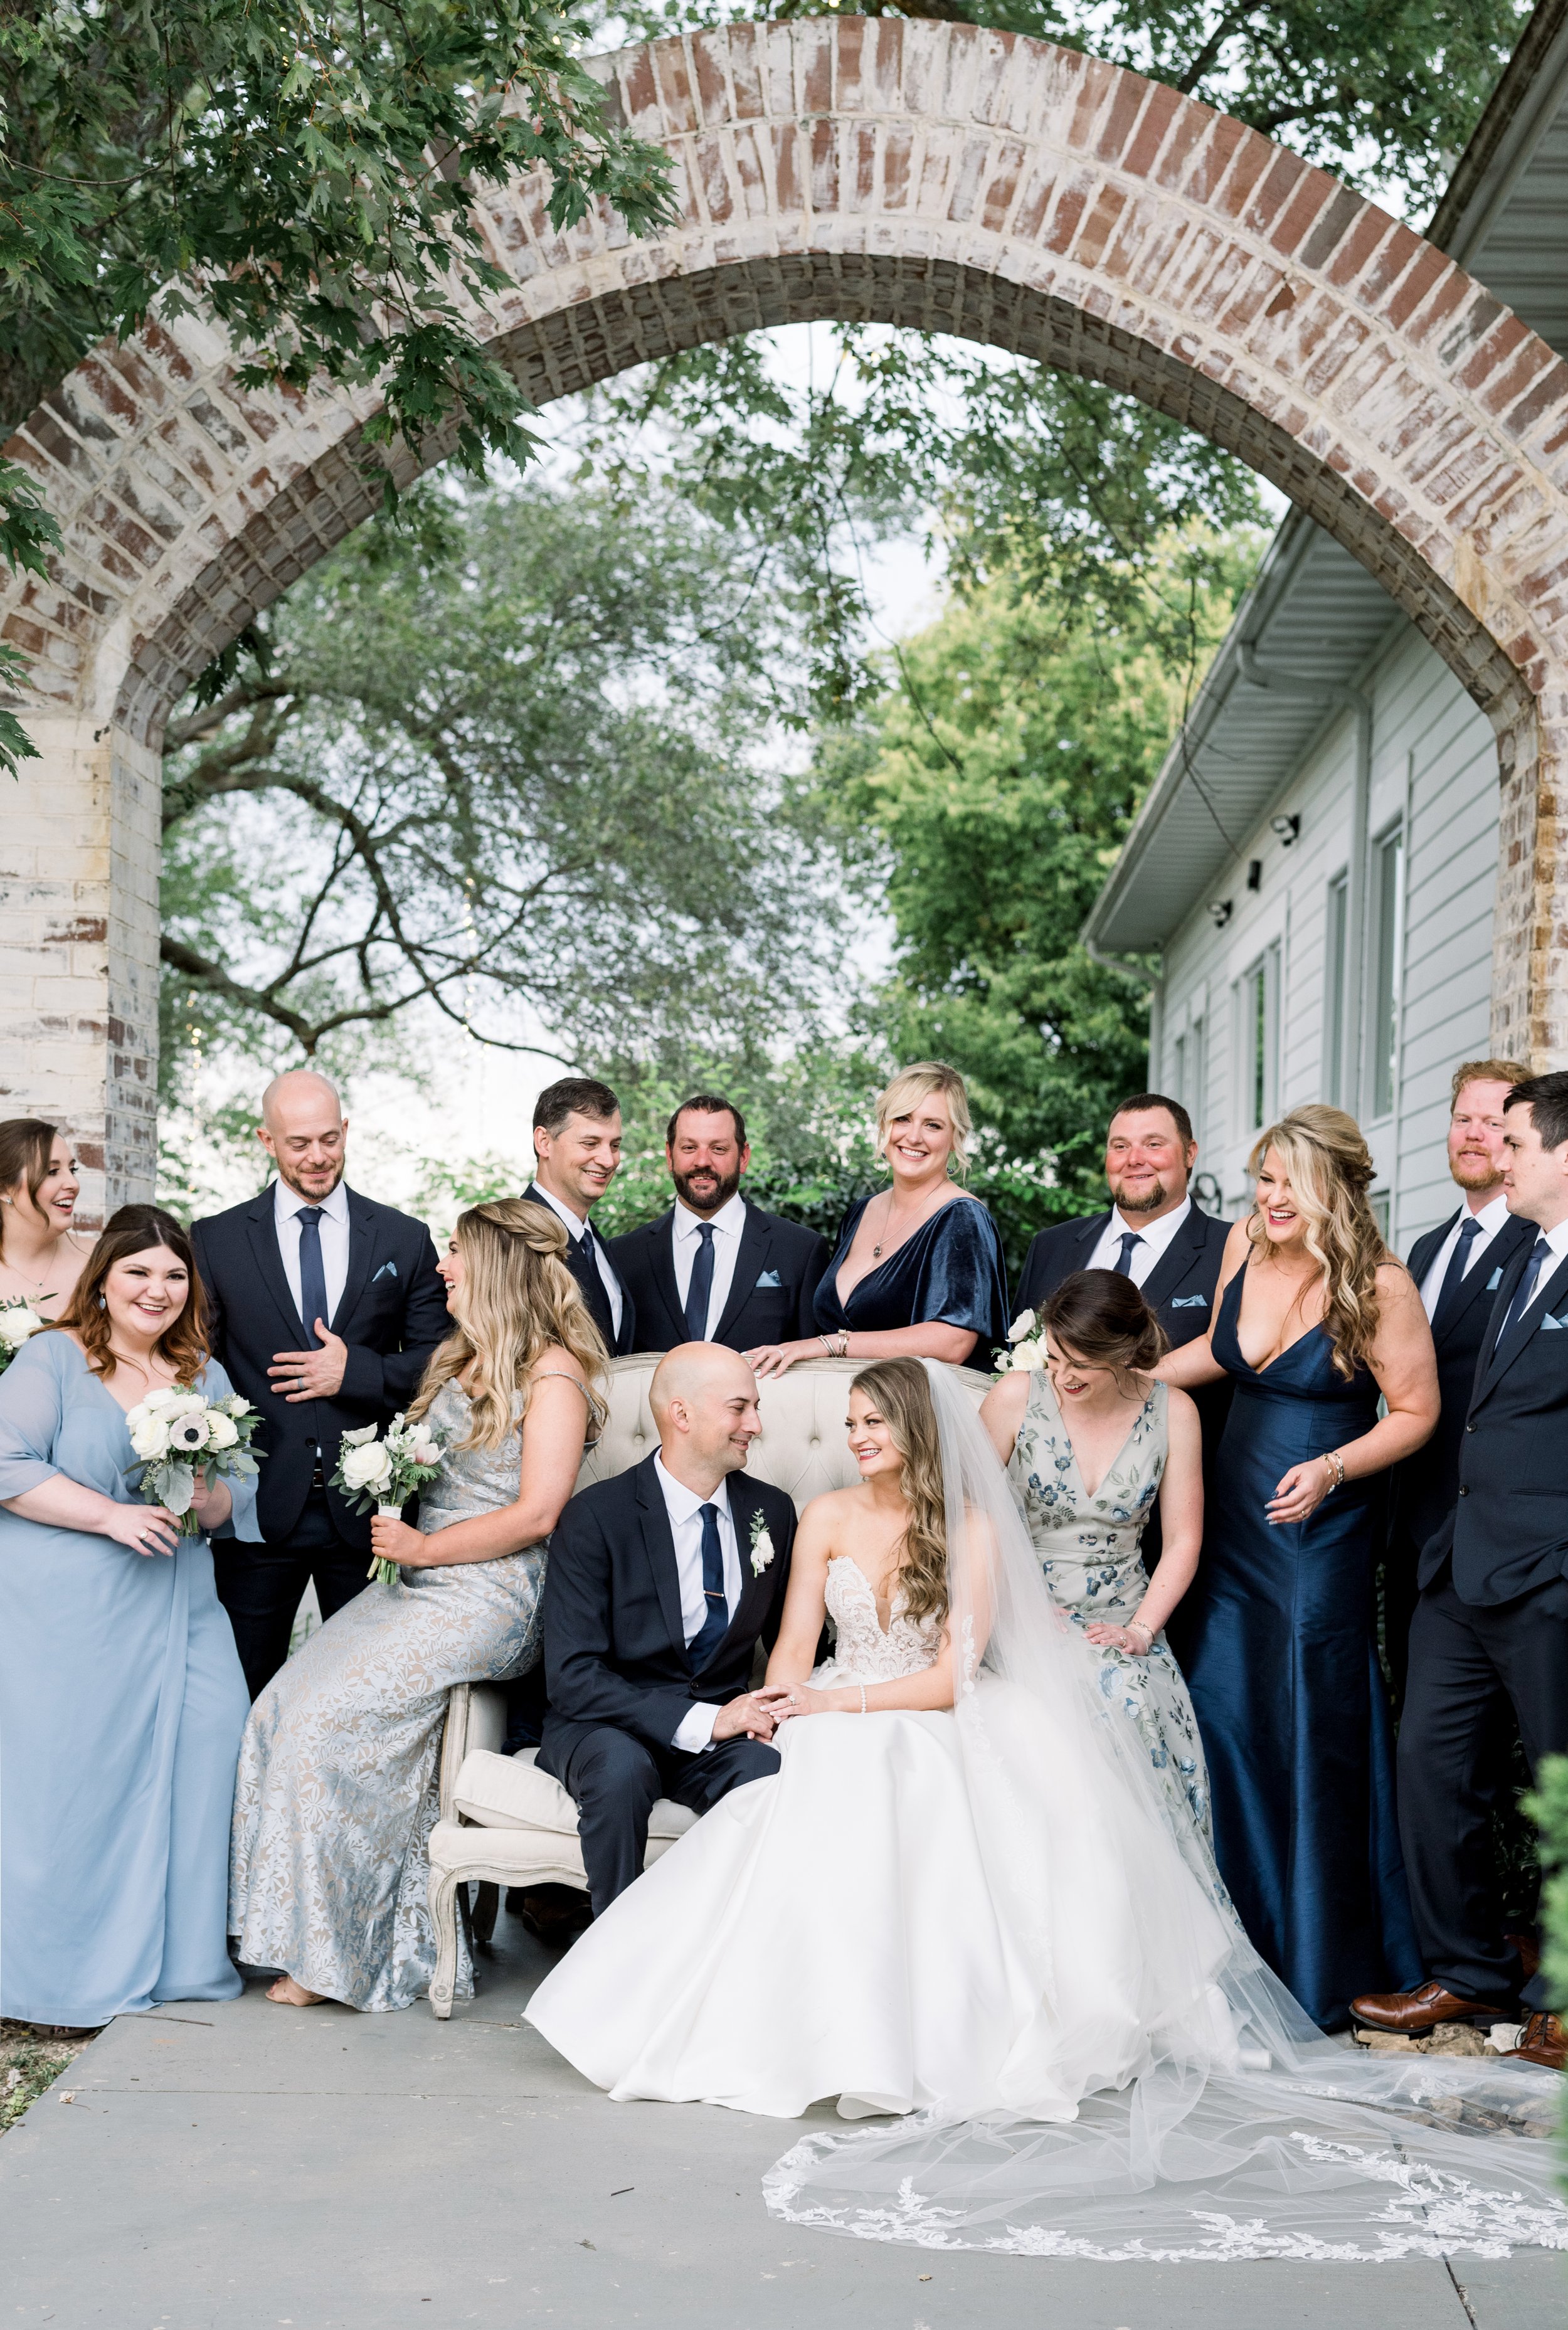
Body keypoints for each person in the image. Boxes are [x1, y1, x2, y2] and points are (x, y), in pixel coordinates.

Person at [524, 1357, 1562, 2262]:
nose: (857, 1440)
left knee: (913, 1789)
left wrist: (841, 1701)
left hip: (925, 1712)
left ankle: (920, 2029)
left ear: (919, 1433)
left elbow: (948, 1679)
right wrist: (789, 1706)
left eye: (873, 1424)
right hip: (836, 1710)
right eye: (849, 1428)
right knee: (800, 1792)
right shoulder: (824, 1517)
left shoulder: (971, 1527)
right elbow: (795, 1646)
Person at [229, 1201, 605, 2012]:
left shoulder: (555, 1374)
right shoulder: (457, 1355)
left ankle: (341, 1956)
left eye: (457, 1252)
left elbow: (540, 1512)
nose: (442, 1266)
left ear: (497, 1264)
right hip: (419, 1573)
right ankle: (284, 1929)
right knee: (280, 1705)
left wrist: (427, 1548)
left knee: (331, 1721)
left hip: (495, 1588)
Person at [1157, 1106, 1437, 2029]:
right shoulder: (1245, 1243)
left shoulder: (1381, 1283)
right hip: (1230, 1526)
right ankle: (1224, 1942)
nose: (1269, 1196)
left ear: (1336, 1184)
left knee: (1308, 1719)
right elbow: (1221, 1349)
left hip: (1320, 1533)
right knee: (1221, 1714)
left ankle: (1316, 1952)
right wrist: (1128, 1376)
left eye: (1287, 1180)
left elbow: (1414, 1409)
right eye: (1263, 1178)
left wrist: (1332, 1466)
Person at [1354, 1070, 1568, 2068]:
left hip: (1550, 1570)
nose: (1499, 1152)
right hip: (1458, 1566)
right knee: (1431, 1770)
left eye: (1517, 1138)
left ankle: (1561, 1997)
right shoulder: (1513, 1255)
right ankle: (1469, 1971)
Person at [0, 1206, 251, 2031]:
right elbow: (5, 1459)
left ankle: (181, 1958)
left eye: (174, 1274)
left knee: (213, 1737)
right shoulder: (55, 1355)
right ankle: (63, 1971)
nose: (158, 1288)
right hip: (75, 1606)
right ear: (104, 1275)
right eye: (140, 1271)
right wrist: (110, 1515)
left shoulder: (201, 1371)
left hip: (181, 1599)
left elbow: (233, 1491)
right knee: (82, 1778)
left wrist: (204, 1489)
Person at [191, 1068, 450, 1700]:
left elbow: (441, 1361)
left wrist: (354, 1370)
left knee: (364, 1698)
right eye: (299, 1142)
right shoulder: (214, 1241)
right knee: (241, 1694)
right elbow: (194, 1367)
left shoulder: (402, 1238)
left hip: (368, 1513)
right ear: (266, 1140)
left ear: (346, 1131)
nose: (317, 1156)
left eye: (329, 1139)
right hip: (254, 1509)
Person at [981, 1271, 1224, 1906]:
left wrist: (1141, 1629)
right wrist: (1019, 1611)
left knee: (1129, 1703)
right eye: (1055, 1357)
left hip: (1125, 1614)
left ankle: (1139, 1917)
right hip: (1019, 1610)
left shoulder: (1174, 1411)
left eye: (1081, 1365)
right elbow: (968, 1518)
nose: (1062, 1377)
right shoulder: (1014, 1397)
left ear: (1124, 1353)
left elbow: (1182, 1541)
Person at [536, 1342, 797, 1914]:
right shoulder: (596, 1516)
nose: (756, 1424)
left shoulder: (771, 1512)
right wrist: (706, 1719)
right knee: (621, 1769)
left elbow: (792, 1643)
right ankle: (613, 1959)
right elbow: (573, 1677)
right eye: (739, 1408)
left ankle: (726, 1949)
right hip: (605, 1724)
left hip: (719, 1734)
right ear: (682, 1415)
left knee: (767, 1769)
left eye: (755, 1407)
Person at [1014, 1094, 1230, 1595]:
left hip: (1186, 1523)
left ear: (1190, 1152)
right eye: (1120, 1146)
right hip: (1051, 1530)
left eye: (1154, 1144)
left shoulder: (1231, 1248)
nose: (1135, 1159)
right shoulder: (1052, 1245)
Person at [1379, 1059, 1530, 1710]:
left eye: (1493, 1124)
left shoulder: (1538, 1247)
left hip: (1493, 1542)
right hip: (1412, 1531)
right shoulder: (1424, 1249)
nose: (1473, 1135)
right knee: (1413, 1714)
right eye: (1461, 1119)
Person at [748, 1063, 1007, 1379]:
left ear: (955, 1137)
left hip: (913, 1416)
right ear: (885, 1125)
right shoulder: (861, 1212)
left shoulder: (963, 1217)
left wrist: (829, 1344)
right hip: (844, 1411)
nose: (913, 1136)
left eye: (933, 1125)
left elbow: (953, 1342)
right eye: (903, 1119)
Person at [608, 1093, 830, 1353]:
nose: (702, 1161)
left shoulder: (801, 1250)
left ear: (743, 1157)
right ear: (670, 1156)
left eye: (718, 1149)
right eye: (689, 1148)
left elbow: (812, 1365)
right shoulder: (623, 1255)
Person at [521, 1075, 636, 1357]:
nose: (608, 1161)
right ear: (544, 1142)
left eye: (615, 1145)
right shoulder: (507, 1237)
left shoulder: (599, 1244)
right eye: (590, 1143)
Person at [0, 1117, 91, 1319]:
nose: (73, 1184)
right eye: (52, 1172)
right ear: (5, 1188)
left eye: (73, 1170)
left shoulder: (101, 1261)